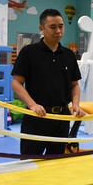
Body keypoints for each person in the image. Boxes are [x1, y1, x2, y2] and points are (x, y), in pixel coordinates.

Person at [11, 9, 85, 155]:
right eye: (53, 27)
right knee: (30, 162)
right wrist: (32, 105)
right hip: (36, 118)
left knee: (56, 164)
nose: (58, 31)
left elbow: (75, 85)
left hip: (61, 119)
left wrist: (75, 105)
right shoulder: (29, 52)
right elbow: (16, 83)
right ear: (41, 28)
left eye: (61, 26)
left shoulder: (69, 55)